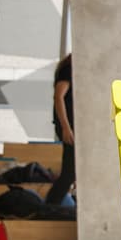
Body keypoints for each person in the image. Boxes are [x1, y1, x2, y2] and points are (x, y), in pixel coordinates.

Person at [46, 54, 75, 206]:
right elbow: (58, 97)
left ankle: (53, 204)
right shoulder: (68, 69)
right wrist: (66, 127)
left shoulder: (73, 69)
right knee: (69, 172)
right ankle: (50, 205)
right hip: (69, 127)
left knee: (72, 171)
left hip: (73, 126)